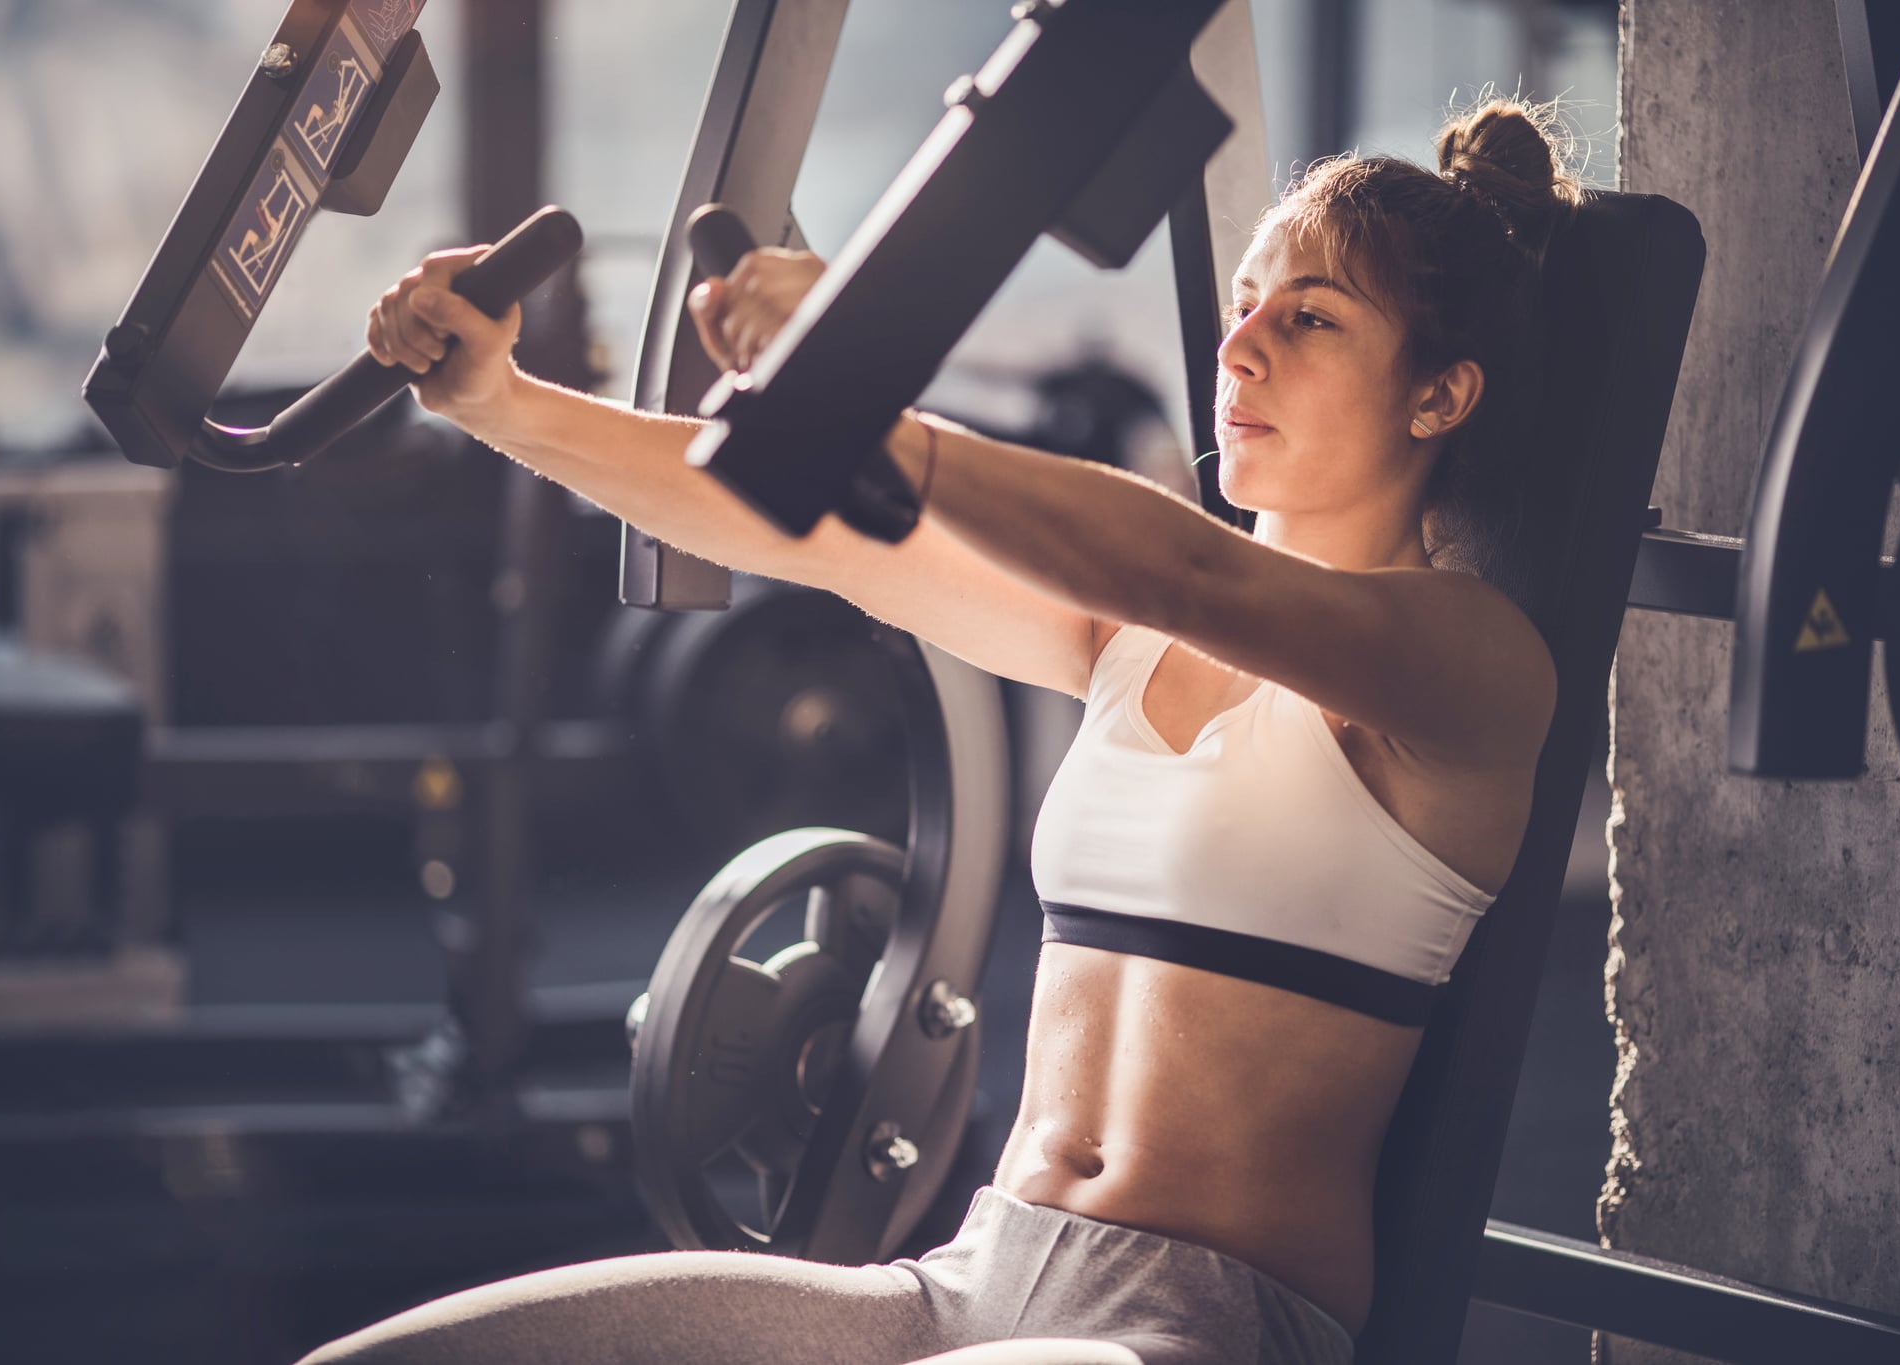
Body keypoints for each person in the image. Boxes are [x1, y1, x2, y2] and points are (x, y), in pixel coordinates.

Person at [305, 96, 1582, 1365]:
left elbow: (1198, 576)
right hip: (973, 1282)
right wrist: (501, 403)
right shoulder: (1128, 646)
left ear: (1439, 396)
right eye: (1245, 302)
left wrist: (868, 406)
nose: (1239, 346)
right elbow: (811, 531)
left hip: (1198, 1330)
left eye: (1308, 319)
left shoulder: (1468, 668)